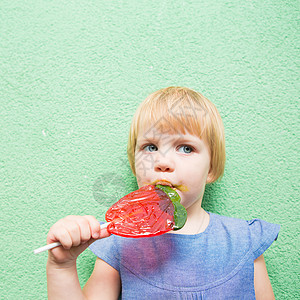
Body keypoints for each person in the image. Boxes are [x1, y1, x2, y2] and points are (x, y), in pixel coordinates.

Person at [46, 86, 280, 299]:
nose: (162, 162)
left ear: (212, 168)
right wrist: (62, 267)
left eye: (186, 148)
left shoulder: (243, 240)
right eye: (150, 147)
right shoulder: (117, 241)